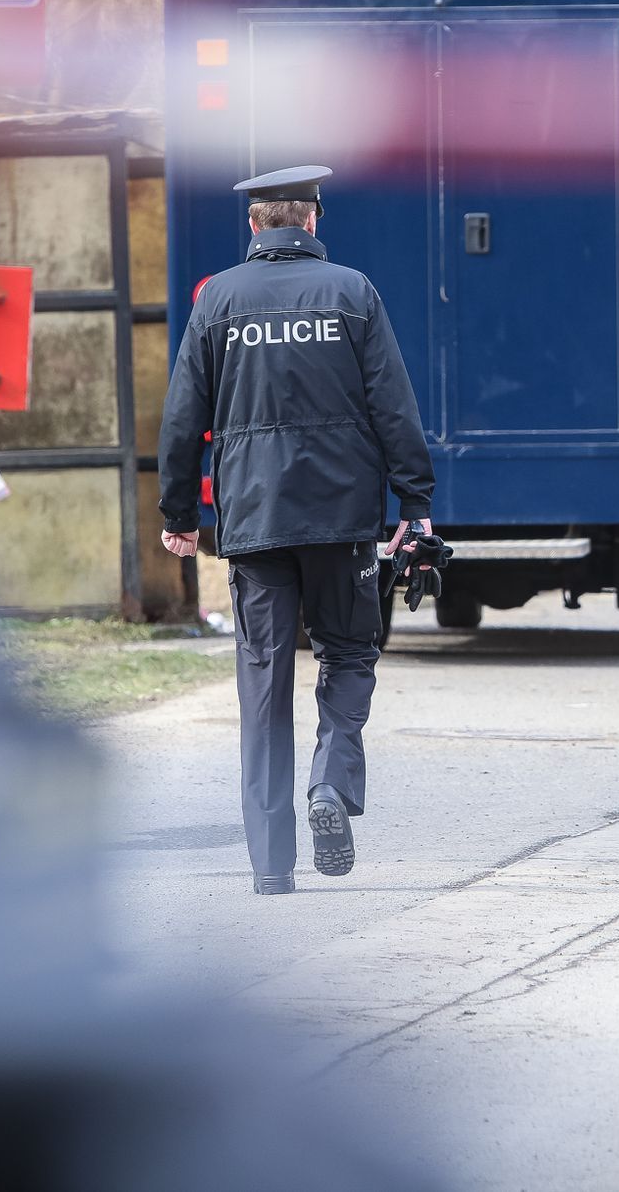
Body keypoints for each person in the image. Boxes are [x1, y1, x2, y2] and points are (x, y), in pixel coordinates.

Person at [158, 165, 436, 895]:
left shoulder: (217, 300)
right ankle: (330, 785)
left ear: (255, 226)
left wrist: (180, 514)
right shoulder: (352, 291)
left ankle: (270, 868)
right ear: (312, 222)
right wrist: (416, 502)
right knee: (348, 653)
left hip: (253, 522)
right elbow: (394, 406)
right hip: (342, 519)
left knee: (263, 681)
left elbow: (184, 416)